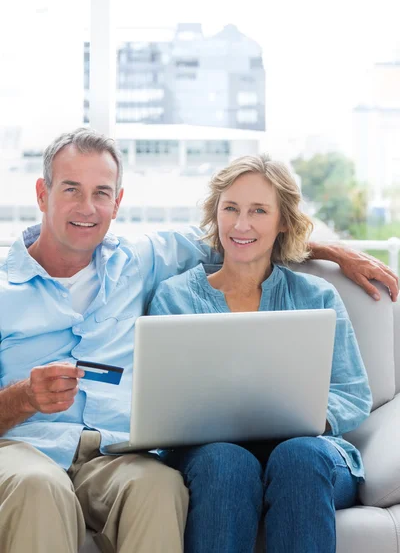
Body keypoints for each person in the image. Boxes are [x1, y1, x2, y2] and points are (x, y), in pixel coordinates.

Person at [0, 129, 396, 553]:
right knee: (42, 487)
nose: (86, 207)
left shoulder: (139, 261)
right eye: (71, 189)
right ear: (42, 193)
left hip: (114, 453)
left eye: (100, 192)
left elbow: (247, 240)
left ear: (117, 202)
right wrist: (25, 396)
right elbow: (237, 237)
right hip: (30, 446)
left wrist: (333, 252)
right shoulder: (10, 291)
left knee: (160, 487)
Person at [148, 154, 375, 553]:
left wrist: (303, 418)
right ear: (215, 213)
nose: (241, 225)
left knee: (298, 456)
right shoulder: (175, 297)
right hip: (212, 458)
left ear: (282, 220)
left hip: (308, 456)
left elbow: (353, 393)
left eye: (258, 211)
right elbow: (160, 402)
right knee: (225, 462)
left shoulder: (316, 297)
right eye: (230, 208)